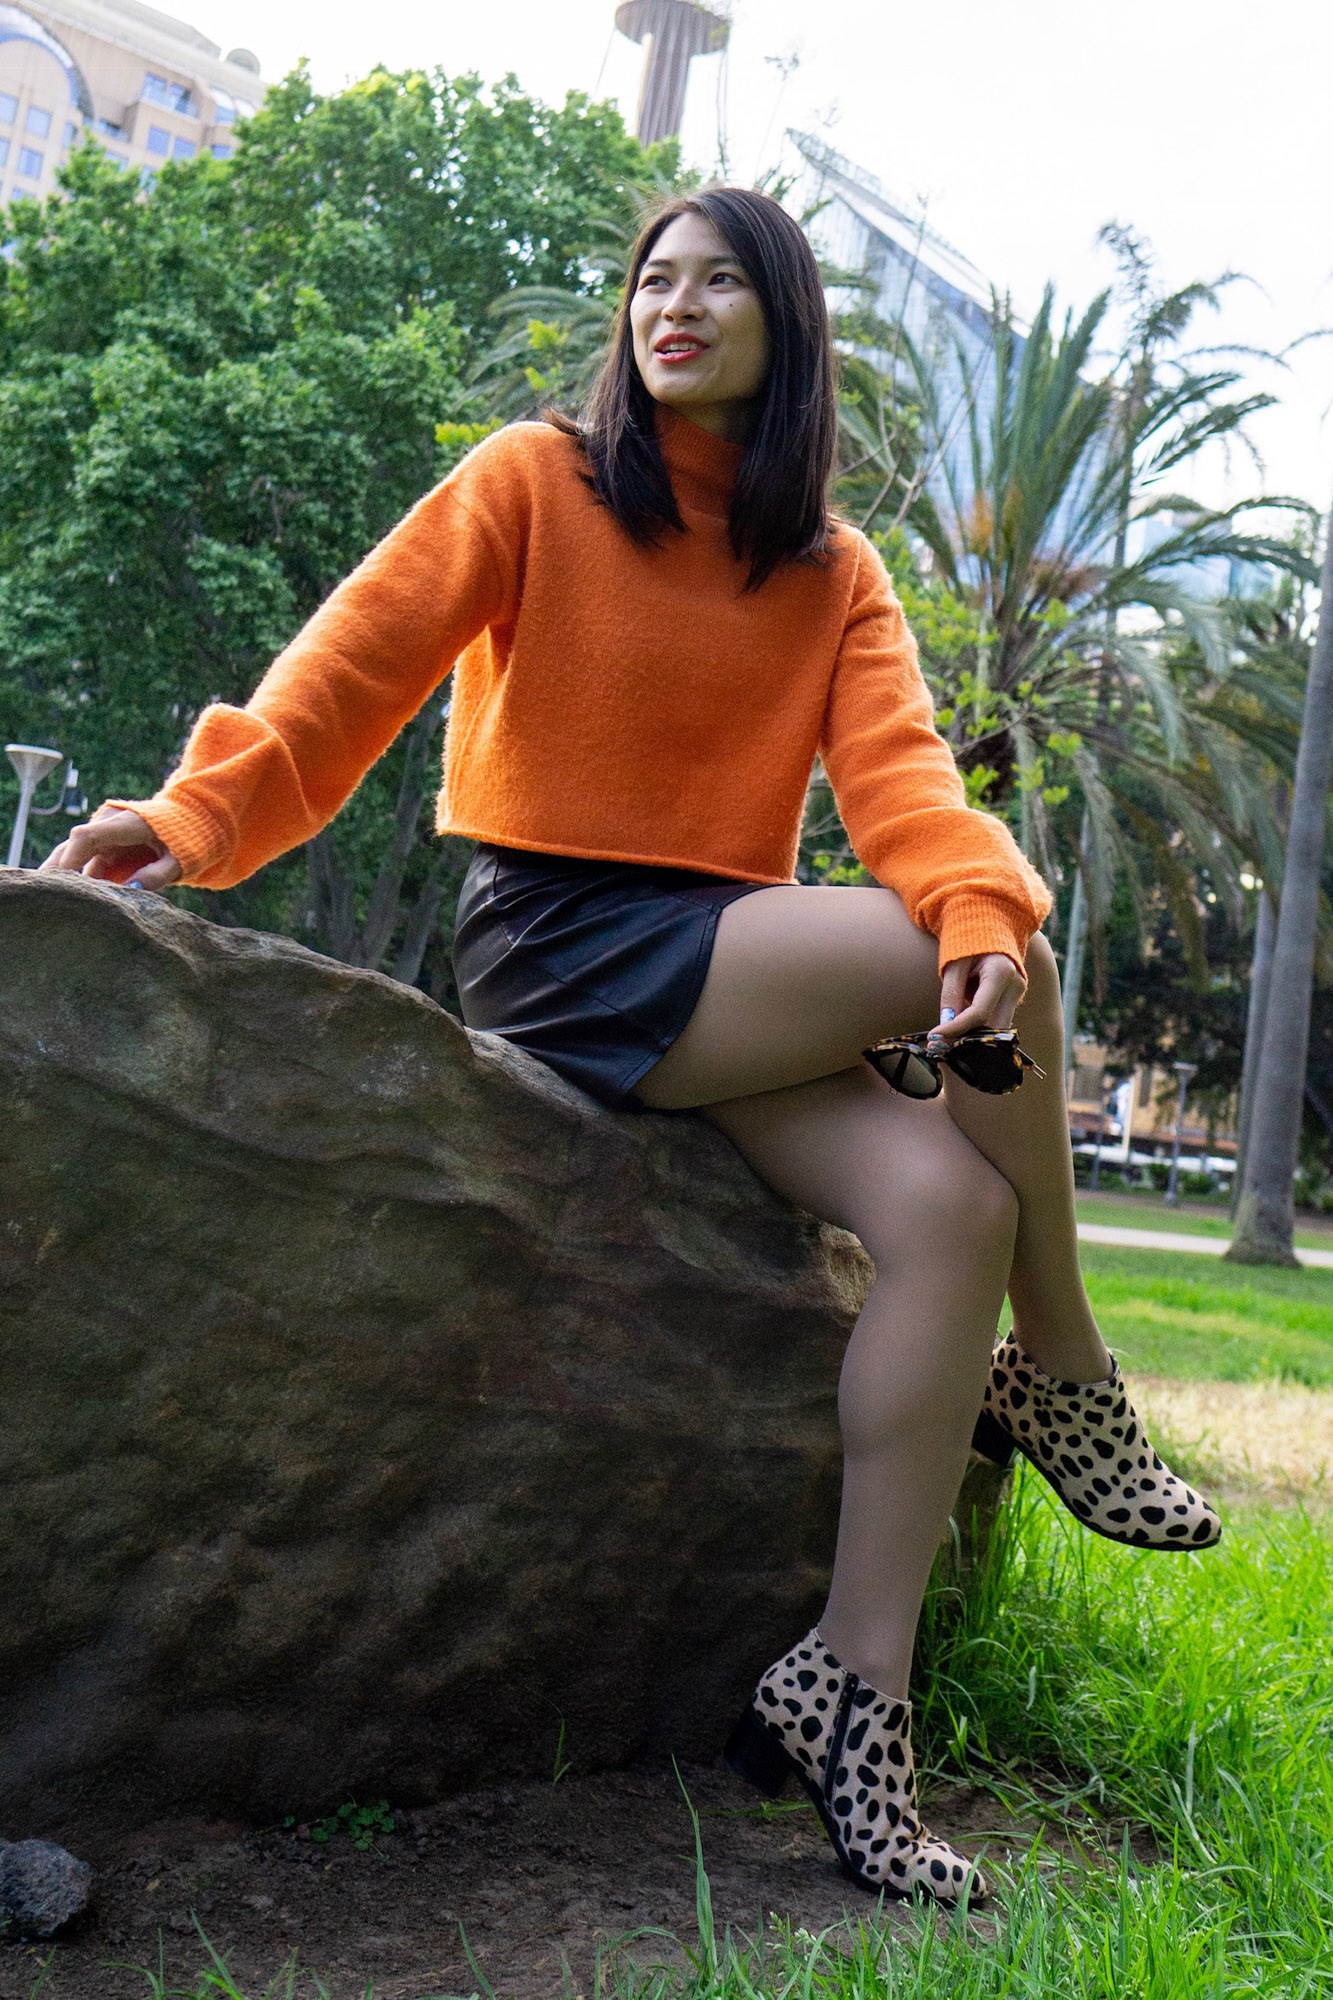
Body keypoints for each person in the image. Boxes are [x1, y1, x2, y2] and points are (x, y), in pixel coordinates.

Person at [43, 186, 1220, 1906]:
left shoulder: (829, 568)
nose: (671, 307)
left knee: (949, 1207)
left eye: (715, 283)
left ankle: (850, 1694)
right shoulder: (533, 481)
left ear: (784, 322)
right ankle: (1067, 1369)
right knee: (986, 939)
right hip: (568, 945)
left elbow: (900, 786)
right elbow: (353, 669)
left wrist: (961, 910)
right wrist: (193, 817)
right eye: (650, 282)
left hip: (723, 959)